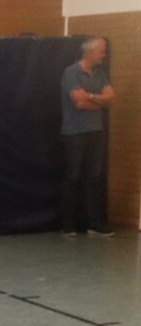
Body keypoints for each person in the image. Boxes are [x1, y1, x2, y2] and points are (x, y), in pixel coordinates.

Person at [60, 36, 115, 238]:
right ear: (90, 52)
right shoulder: (71, 73)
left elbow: (111, 98)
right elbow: (78, 102)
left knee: (95, 176)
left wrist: (91, 96)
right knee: (73, 176)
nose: (104, 55)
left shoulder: (100, 73)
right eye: (101, 51)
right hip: (75, 132)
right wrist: (99, 100)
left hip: (96, 131)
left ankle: (94, 222)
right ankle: (68, 223)